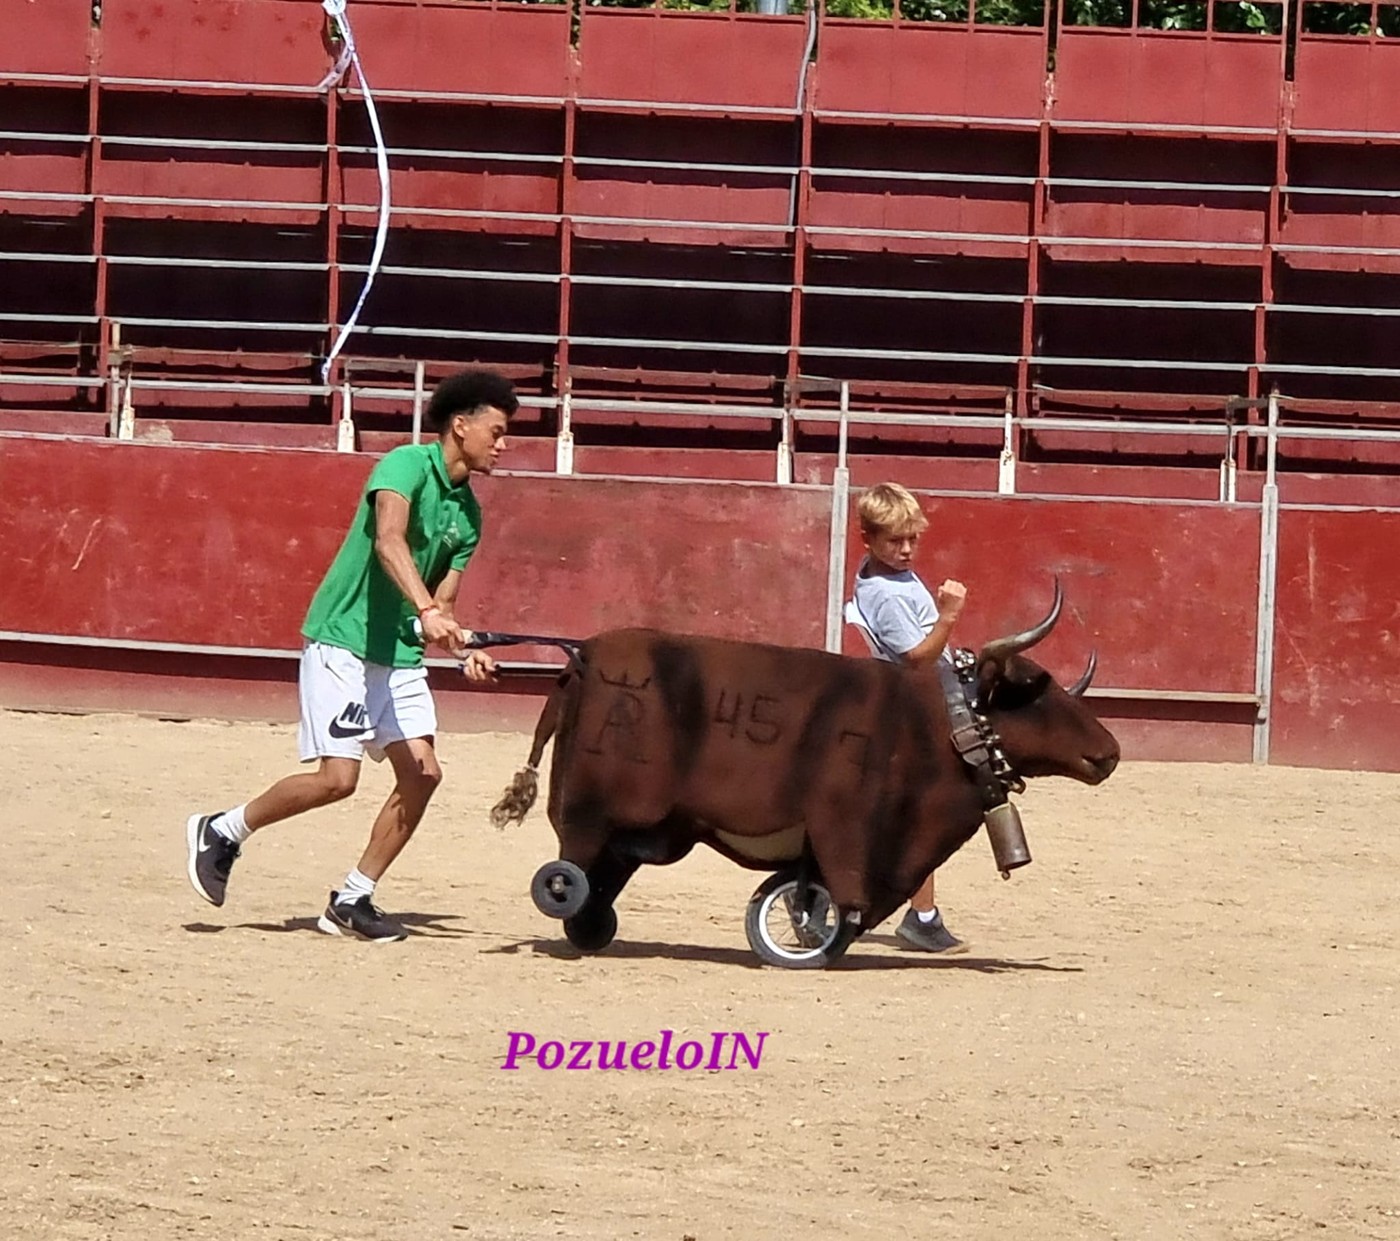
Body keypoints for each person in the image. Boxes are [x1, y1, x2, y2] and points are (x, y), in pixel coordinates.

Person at [185, 367, 518, 943]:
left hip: (399, 656)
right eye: (497, 430)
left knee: (424, 774)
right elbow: (389, 540)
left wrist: (460, 643)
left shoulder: (469, 514)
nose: (503, 444)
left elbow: (443, 602)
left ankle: (351, 898)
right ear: (460, 426)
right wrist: (428, 612)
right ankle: (223, 829)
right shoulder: (404, 465)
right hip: (343, 640)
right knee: (338, 779)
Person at [849, 481, 970, 954]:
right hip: (910, 709)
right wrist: (948, 618)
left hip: (912, 703)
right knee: (922, 812)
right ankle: (921, 917)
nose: (906, 550)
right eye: (894, 541)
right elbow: (917, 657)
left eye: (912, 539)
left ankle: (922, 915)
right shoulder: (885, 591)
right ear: (869, 541)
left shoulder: (887, 575)